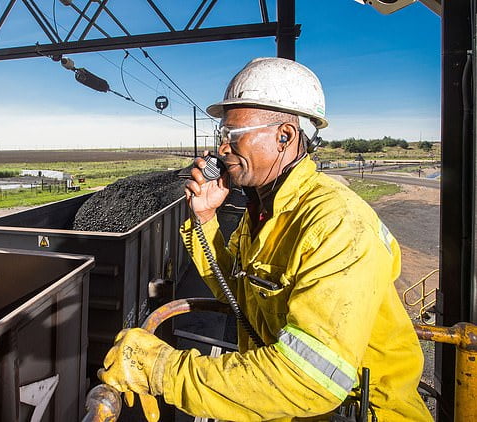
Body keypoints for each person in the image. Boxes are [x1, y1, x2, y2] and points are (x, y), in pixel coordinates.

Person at [99, 58, 432, 421]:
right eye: (221, 136)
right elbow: (238, 294)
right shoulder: (264, 210)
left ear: (284, 136)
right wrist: (206, 218)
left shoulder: (337, 223)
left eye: (232, 136)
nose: (221, 149)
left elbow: (310, 380)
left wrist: (164, 370)